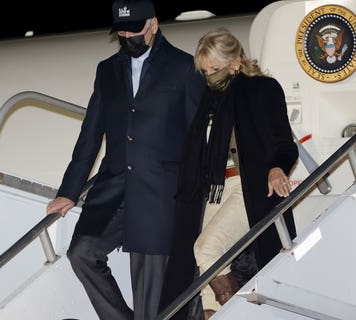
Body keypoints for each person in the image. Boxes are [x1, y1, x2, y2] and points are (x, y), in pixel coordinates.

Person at [45, 0, 206, 319]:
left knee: (149, 298)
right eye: (122, 31)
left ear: (154, 25)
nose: (128, 36)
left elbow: (198, 138)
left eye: (134, 29)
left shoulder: (184, 68)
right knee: (82, 253)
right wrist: (69, 190)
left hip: (160, 195)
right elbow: (90, 134)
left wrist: (191, 200)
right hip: (113, 189)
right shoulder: (107, 71)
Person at [160, 27, 298, 319]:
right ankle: (214, 313)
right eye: (205, 70)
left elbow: (285, 143)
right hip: (214, 188)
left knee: (206, 248)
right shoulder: (210, 100)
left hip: (248, 188)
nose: (210, 75)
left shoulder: (263, 88)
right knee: (202, 264)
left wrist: (277, 168)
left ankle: (239, 313)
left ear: (235, 61)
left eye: (216, 68)